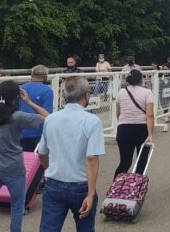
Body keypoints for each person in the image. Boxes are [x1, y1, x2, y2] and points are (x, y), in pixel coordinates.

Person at [0, 80, 50, 232]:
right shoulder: (19, 116)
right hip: (14, 168)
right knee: (17, 207)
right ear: (17, 97)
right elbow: (47, 117)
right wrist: (29, 101)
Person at [38, 77, 105, 231]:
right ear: (86, 95)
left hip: (54, 182)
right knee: (85, 227)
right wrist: (91, 193)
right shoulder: (92, 121)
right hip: (81, 185)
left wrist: (50, 170)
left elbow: (42, 154)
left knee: (49, 228)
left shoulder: (51, 119)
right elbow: (92, 158)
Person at [114, 69, 155, 179]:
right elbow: (149, 115)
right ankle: (135, 188)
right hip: (141, 129)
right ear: (141, 80)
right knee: (141, 161)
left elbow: (118, 112)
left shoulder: (121, 92)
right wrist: (150, 134)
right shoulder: (147, 92)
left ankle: (116, 187)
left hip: (123, 129)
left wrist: (121, 123)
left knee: (125, 162)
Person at [18, 65, 53, 151]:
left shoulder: (21, 88)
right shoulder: (47, 90)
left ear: (32, 75)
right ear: (45, 76)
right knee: (38, 162)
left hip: (20, 131)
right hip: (38, 133)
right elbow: (48, 115)